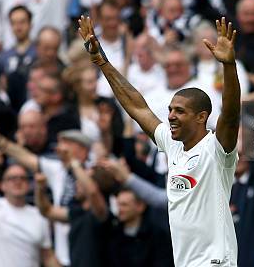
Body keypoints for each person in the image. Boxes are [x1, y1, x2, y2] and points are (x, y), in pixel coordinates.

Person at [78, 15, 241, 266]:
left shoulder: (217, 150)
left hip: (215, 262)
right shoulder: (173, 144)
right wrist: (102, 62)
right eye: (170, 110)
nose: (171, 117)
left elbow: (230, 115)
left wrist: (229, 67)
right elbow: (138, 107)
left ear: (201, 117)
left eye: (180, 111)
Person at [0, 150, 60, 267]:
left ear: (29, 185)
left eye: (22, 178)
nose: (18, 181)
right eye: (12, 178)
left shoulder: (39, 215)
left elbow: (47, 256)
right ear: (2, 185)